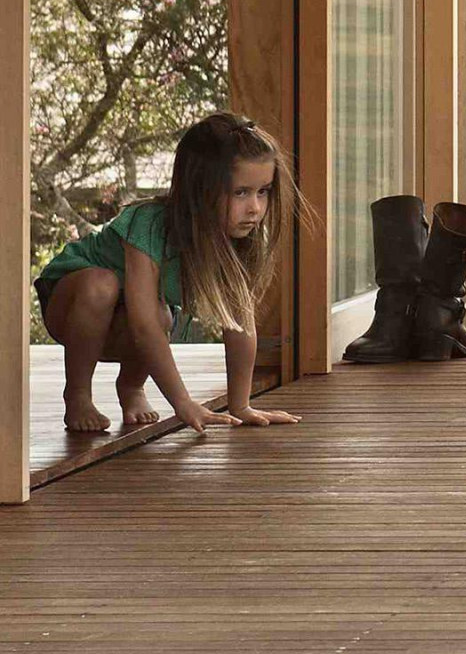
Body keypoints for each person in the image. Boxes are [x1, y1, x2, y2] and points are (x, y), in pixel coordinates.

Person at [35, 114, 302, 444]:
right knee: (103, 286)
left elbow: (239, 324)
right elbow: (144, 326)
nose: (255, 208)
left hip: (121, 320)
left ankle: (131, 386)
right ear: (198, 191)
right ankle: (77, 395)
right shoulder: (150, 224)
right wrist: (183, 403)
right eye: (241, 193)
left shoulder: (240, 240)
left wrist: (241, 405)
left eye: (263, 192)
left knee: (162, 314)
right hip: (71, 303)